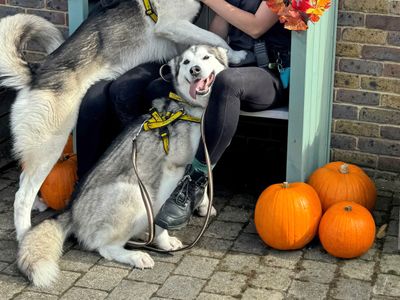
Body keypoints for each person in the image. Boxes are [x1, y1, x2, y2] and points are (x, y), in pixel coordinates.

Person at [76, 0, 290, 229]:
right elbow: (217, 33)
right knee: (156, 88)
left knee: (227, 83)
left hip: (268, 73)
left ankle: (194, 183)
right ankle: (147, 182)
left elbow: (256, 26)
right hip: (232, 66)